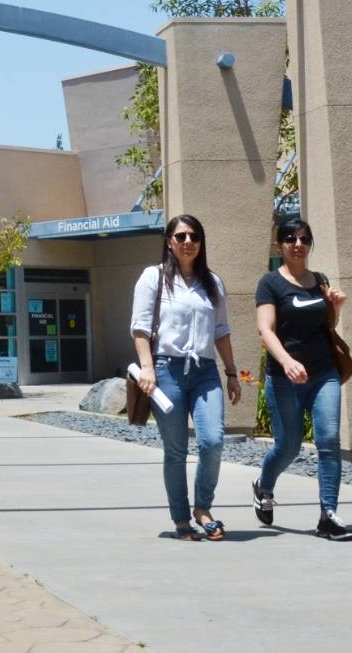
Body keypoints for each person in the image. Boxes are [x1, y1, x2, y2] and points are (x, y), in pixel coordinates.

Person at [130, 214, 243, 541]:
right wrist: (148, 368)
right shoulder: (154, 278)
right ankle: (181, 519)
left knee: (212, 441)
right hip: (167, 370)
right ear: (169, 242)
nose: (188, 242)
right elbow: (139, 327)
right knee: (176, 450)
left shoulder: (213, 283)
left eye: (194, 236)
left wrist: (232, 373)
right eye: (180, 236)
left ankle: (202, 507)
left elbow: (221, 332)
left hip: (205, 371)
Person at [250, 215, 352, 541]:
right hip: (284, 378)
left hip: (324, 374)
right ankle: (263, 486)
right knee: (288, 447)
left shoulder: (319, 280)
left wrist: (335, 307)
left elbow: (327, 328)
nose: (298, 245)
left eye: (304, 239)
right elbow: (265, 329)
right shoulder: (270, 284)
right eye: (291, 239)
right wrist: (287, 361)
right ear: (279, 245)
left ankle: (328, 515)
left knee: (328, 442)